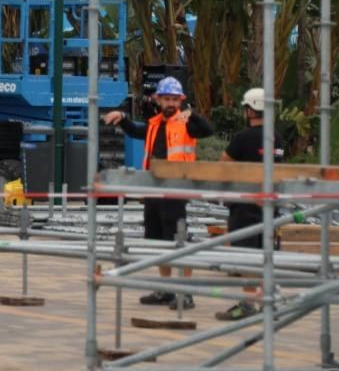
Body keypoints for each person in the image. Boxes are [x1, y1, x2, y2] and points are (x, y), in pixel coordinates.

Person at [104, 75, 215, 309]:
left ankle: (185, 293)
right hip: (153, 190)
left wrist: (192, 114)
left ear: (181, 100)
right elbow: (135, 130)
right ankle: (165, 290)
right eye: (167, 99)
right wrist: (122, 118)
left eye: (175, 99)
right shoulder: (154, 124)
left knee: (178, 241)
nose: (171, 104)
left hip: (175, 190)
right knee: (156, 242)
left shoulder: (187, 123)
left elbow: (207, 130)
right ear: (158, 100)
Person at [215, 87, 283, 321]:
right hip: (271, 206)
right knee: (265, 254)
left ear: (250, 110)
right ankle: (267, 301)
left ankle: (248, 304)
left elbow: (223, 165)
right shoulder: (277, 137)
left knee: (246, 256)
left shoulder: (243, 138)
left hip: (245, 206)